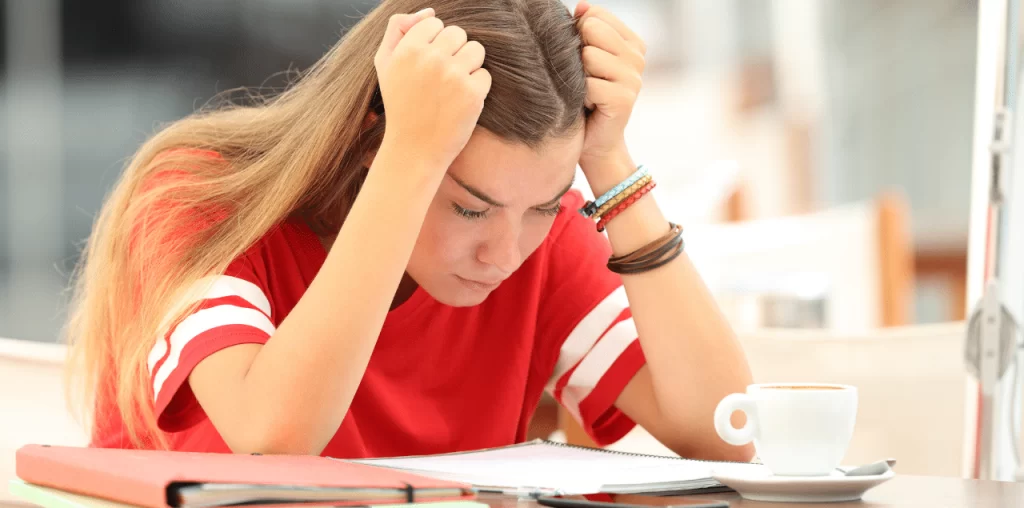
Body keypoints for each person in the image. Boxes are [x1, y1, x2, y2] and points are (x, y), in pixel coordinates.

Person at [66, 0, 755, 462]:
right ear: (375, 136)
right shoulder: (199, 193)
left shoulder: (535, 235)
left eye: (545, 206)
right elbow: (273, 440)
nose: (504, 253)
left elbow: (729, 431)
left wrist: (609, 159)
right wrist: (408, 155)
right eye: (468, 208)